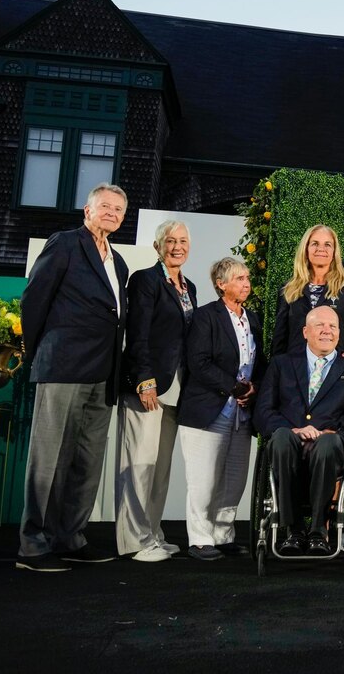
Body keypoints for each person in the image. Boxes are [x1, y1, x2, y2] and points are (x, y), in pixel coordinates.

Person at [16, 183, 130, 572]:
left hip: (103, 374)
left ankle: (70, 536)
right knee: (49, 459)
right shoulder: (64, 244)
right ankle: (33, 545)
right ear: (87, 210)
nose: (112, 213)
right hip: (63, 366)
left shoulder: (119, 262)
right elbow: (34, 300)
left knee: (86, 460)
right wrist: (41, 354)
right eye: (105, 207)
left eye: (118, 209)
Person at [254, 306, 344, 556]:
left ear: (340, 334)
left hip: (333, 444)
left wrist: (329, 433)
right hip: (290, 441)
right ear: (305, 331)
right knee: (281, 438)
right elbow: (263, 411)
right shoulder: (281, 365)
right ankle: (294, 530)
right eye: (320, 325)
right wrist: (294, 429)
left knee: (328, 444)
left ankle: (319, 529)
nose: (327, 331)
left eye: (333, 326)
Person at [116, 219, 196, 562]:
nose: (177, 246)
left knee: (160, 468)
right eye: (170, 240)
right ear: (158, 246)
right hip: (148, 387)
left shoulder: (188, 285)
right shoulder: (145, 280)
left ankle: (152, 532)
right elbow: (137, 334)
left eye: (182, 241)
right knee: (139, 464)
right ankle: (134, 541)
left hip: (177, 390)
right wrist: (143, 380)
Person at [177, 257, 265, 561]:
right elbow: (198, 362)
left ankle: (222, 534)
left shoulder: (252, 318)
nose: (246, 283)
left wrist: (253, 389)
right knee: (204, 479)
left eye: (247, 278)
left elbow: (258, 362)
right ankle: (200, 539)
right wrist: (234, 387)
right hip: (208, 410)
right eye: (239, 278)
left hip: (242, 414)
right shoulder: (205, 317)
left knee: (233, 477)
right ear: (221, 284)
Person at [273, 224, 344, 360]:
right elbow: (280, 335)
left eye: (328, 244)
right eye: (315, 243)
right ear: (306, 249)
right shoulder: (288, 288)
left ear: (334, 251)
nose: (321, 249)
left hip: (334, 368)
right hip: (294, 369)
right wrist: (277, 368)